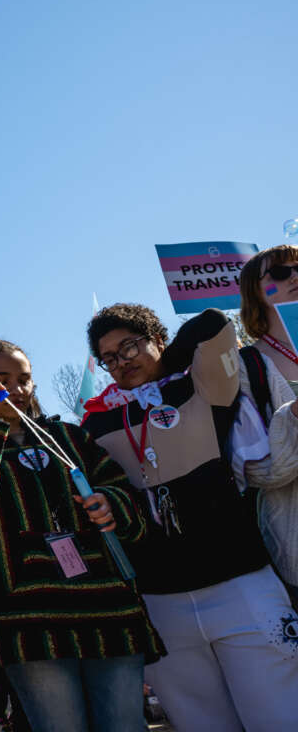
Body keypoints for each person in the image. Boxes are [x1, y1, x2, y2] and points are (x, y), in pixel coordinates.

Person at [80, 304, 298, 731]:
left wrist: (167, 362)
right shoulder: (95, 421)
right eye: (109, 358)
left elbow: (215, 323)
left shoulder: (201, 385)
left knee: (281, 717)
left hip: (242, 583)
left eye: (130, 346)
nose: (122, 362)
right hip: (161, 602)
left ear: (157, 338)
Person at [0, 339, 163, 732]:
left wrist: (110, 503)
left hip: (108, 608)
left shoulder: (71, 437)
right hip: (30, 623)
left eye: (25, 378)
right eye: (3, 378)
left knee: (125, 725)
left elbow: (122, 488)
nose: (18, 388)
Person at [238, 244, 298, 607]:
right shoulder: (246, 367)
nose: (294, 276)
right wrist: (292, 417)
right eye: (279, 273)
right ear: (256, 293)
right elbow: (257, 470)